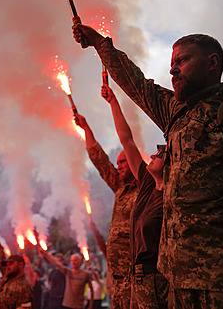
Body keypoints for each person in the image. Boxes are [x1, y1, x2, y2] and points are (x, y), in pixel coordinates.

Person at [72, 25, 223, 309]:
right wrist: (100, 45)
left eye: (183, 61)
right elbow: (138, 85)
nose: (173, 70)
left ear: (212, 63)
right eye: (171, 64)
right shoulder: (176, 116)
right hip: (174, 285)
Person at [91, 84, 169, 309]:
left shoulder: (174, 194)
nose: (153, 154)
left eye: (160, 154)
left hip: (157, 283)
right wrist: (113, 101)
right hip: (133, 281)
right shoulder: (147, 184)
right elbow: (127, 140)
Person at [74, 105, 138, 309]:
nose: (118, 166)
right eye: (117, 162)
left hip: (136, 277)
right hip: (116, 279)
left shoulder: (147, 188)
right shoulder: (121, 187)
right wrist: (86, 129)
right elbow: (101, 162)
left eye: (123, 162)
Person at [0, 226, 33, 309]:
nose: (7, 267)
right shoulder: (7, 278)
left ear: (20, 265)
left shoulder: (24, 287)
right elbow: (0, 258)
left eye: (11, 263)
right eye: (7, 264)